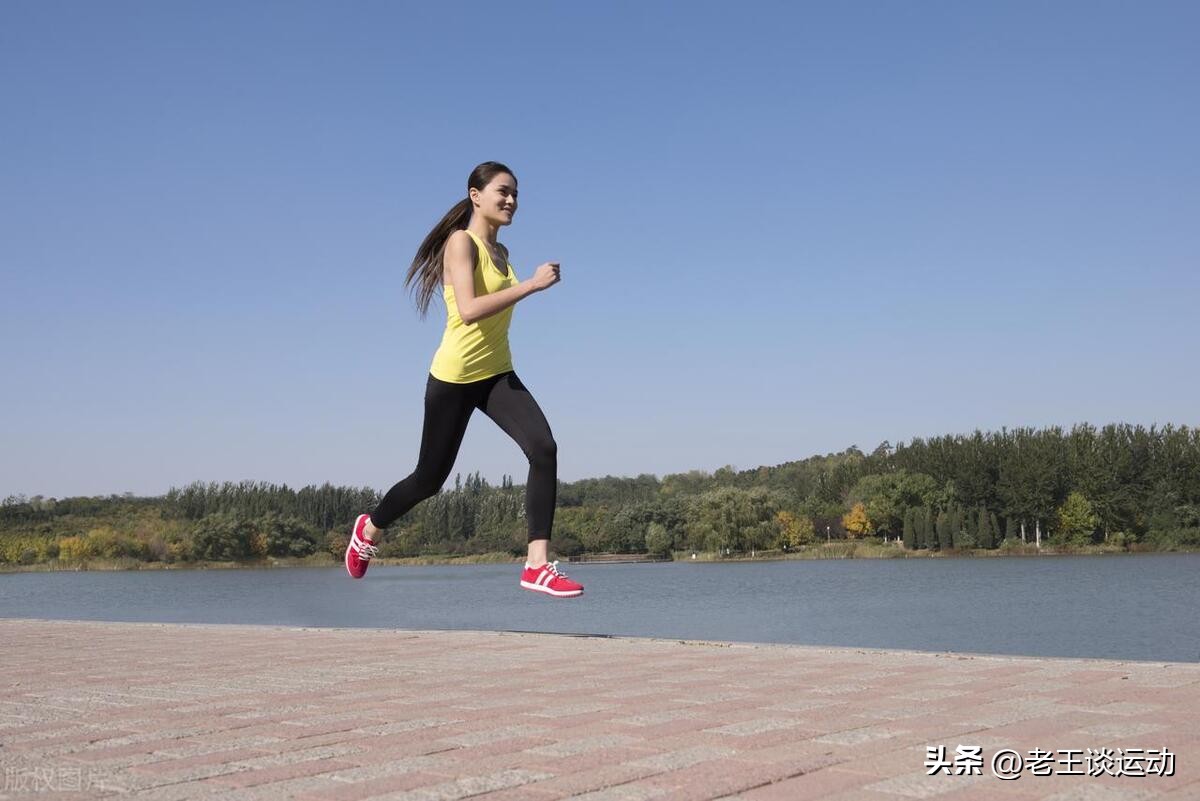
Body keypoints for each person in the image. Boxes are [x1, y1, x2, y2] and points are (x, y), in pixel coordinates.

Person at [345, 161, 583, 598]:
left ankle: (536, 564)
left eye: (516, 194)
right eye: (503, 192)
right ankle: (370, 527)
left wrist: (525, 282)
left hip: (495, 373)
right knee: (429, 480)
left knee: (544, 448)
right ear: (476, 195)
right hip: (454, 377)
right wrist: (530, 286)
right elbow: (470, 311)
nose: (511, 201)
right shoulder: (461, 243)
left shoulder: (502, 254)